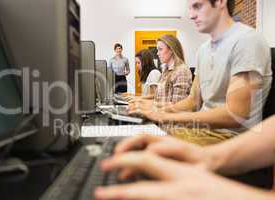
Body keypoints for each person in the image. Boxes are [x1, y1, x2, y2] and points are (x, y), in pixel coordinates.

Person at [128, 0, 272, 144]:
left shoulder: (246, 41)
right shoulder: (203, 50)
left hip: (230, 139)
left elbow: (235, 115)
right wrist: (157, 107)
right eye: (190, 8)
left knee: (146, 147)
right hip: (202, 131)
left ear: (221, 2)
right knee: (133, 138)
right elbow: (193, 101)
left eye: (197, 6)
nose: (191, 15)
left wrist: (164, 116)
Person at [94, 115, 275, 200]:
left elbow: (236, 113)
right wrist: (208, 157)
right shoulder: (206, 50)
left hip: (223, 134)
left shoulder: (245, 42)